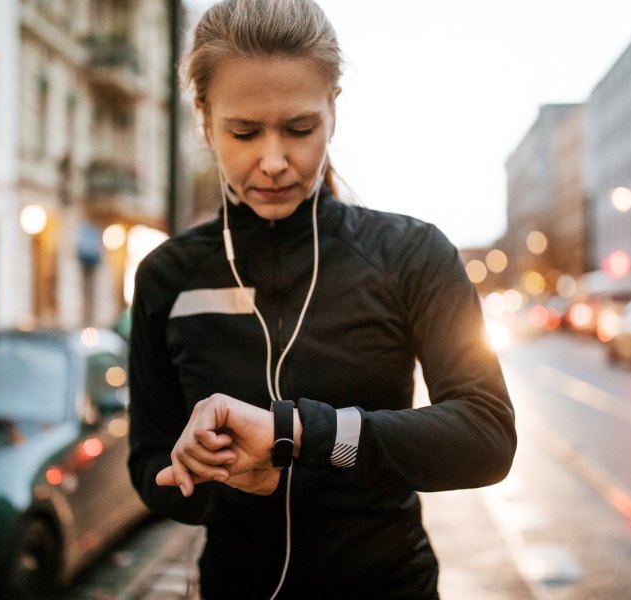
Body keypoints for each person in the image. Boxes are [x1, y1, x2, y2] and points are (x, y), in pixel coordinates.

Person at [127, 0, 517, 598]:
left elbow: (485, 437)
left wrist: (297, 433)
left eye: (300, 128)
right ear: (204, 118)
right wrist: (209, 472)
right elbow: (149, 465)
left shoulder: (411, 255)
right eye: (245, 132)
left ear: (334, 107)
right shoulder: (166, 277)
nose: (276, 161)